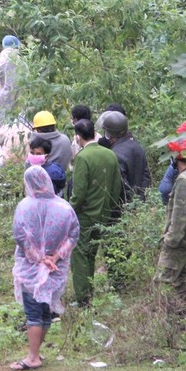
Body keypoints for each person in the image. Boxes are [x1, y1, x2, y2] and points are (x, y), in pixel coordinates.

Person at [10, 165, 80, 371]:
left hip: (31, 268)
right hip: (55, 268)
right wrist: (55, 257)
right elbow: (73, 235)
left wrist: (39, 259)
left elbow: (20, 236)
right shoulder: (65, 207)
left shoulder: (24, 206)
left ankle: (33, 357)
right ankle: (36, 352)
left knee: (33, 313)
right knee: (45, 311)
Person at [68, 119, 121, 306]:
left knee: (81, 255)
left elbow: (79, 192)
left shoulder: (82, 157)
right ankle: (89, 292)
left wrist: (68, 210)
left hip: (85, 215)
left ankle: (83, 298)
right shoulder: (110, 154)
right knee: (92, 253)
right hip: (105, 213)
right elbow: (116, 188)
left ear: (78, 136)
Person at [153, 139, 186, 311]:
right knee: (179, 280)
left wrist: (170, 240)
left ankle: (166, 322)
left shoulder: (184, 180)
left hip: (178, 240)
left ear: (177, 157)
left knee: (162, 281)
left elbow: (180, 216)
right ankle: (180, 315)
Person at [100, 111, 151, 202]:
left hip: (125, 207)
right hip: (141, 203)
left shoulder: (114, 154)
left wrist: (131, 205)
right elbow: (146, 177)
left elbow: (122, 187)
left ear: (110, 135)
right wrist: (141, 201)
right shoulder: (137, 147)